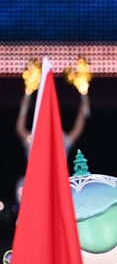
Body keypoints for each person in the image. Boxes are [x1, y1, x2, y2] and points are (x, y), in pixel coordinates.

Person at [14, 59, 90, 204]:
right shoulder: (34, 138)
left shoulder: (61, 140)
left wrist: (84, 96)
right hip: (33, 184)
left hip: (56, 184)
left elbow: (79, 127)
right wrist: (28, 93)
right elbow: (19, 127)